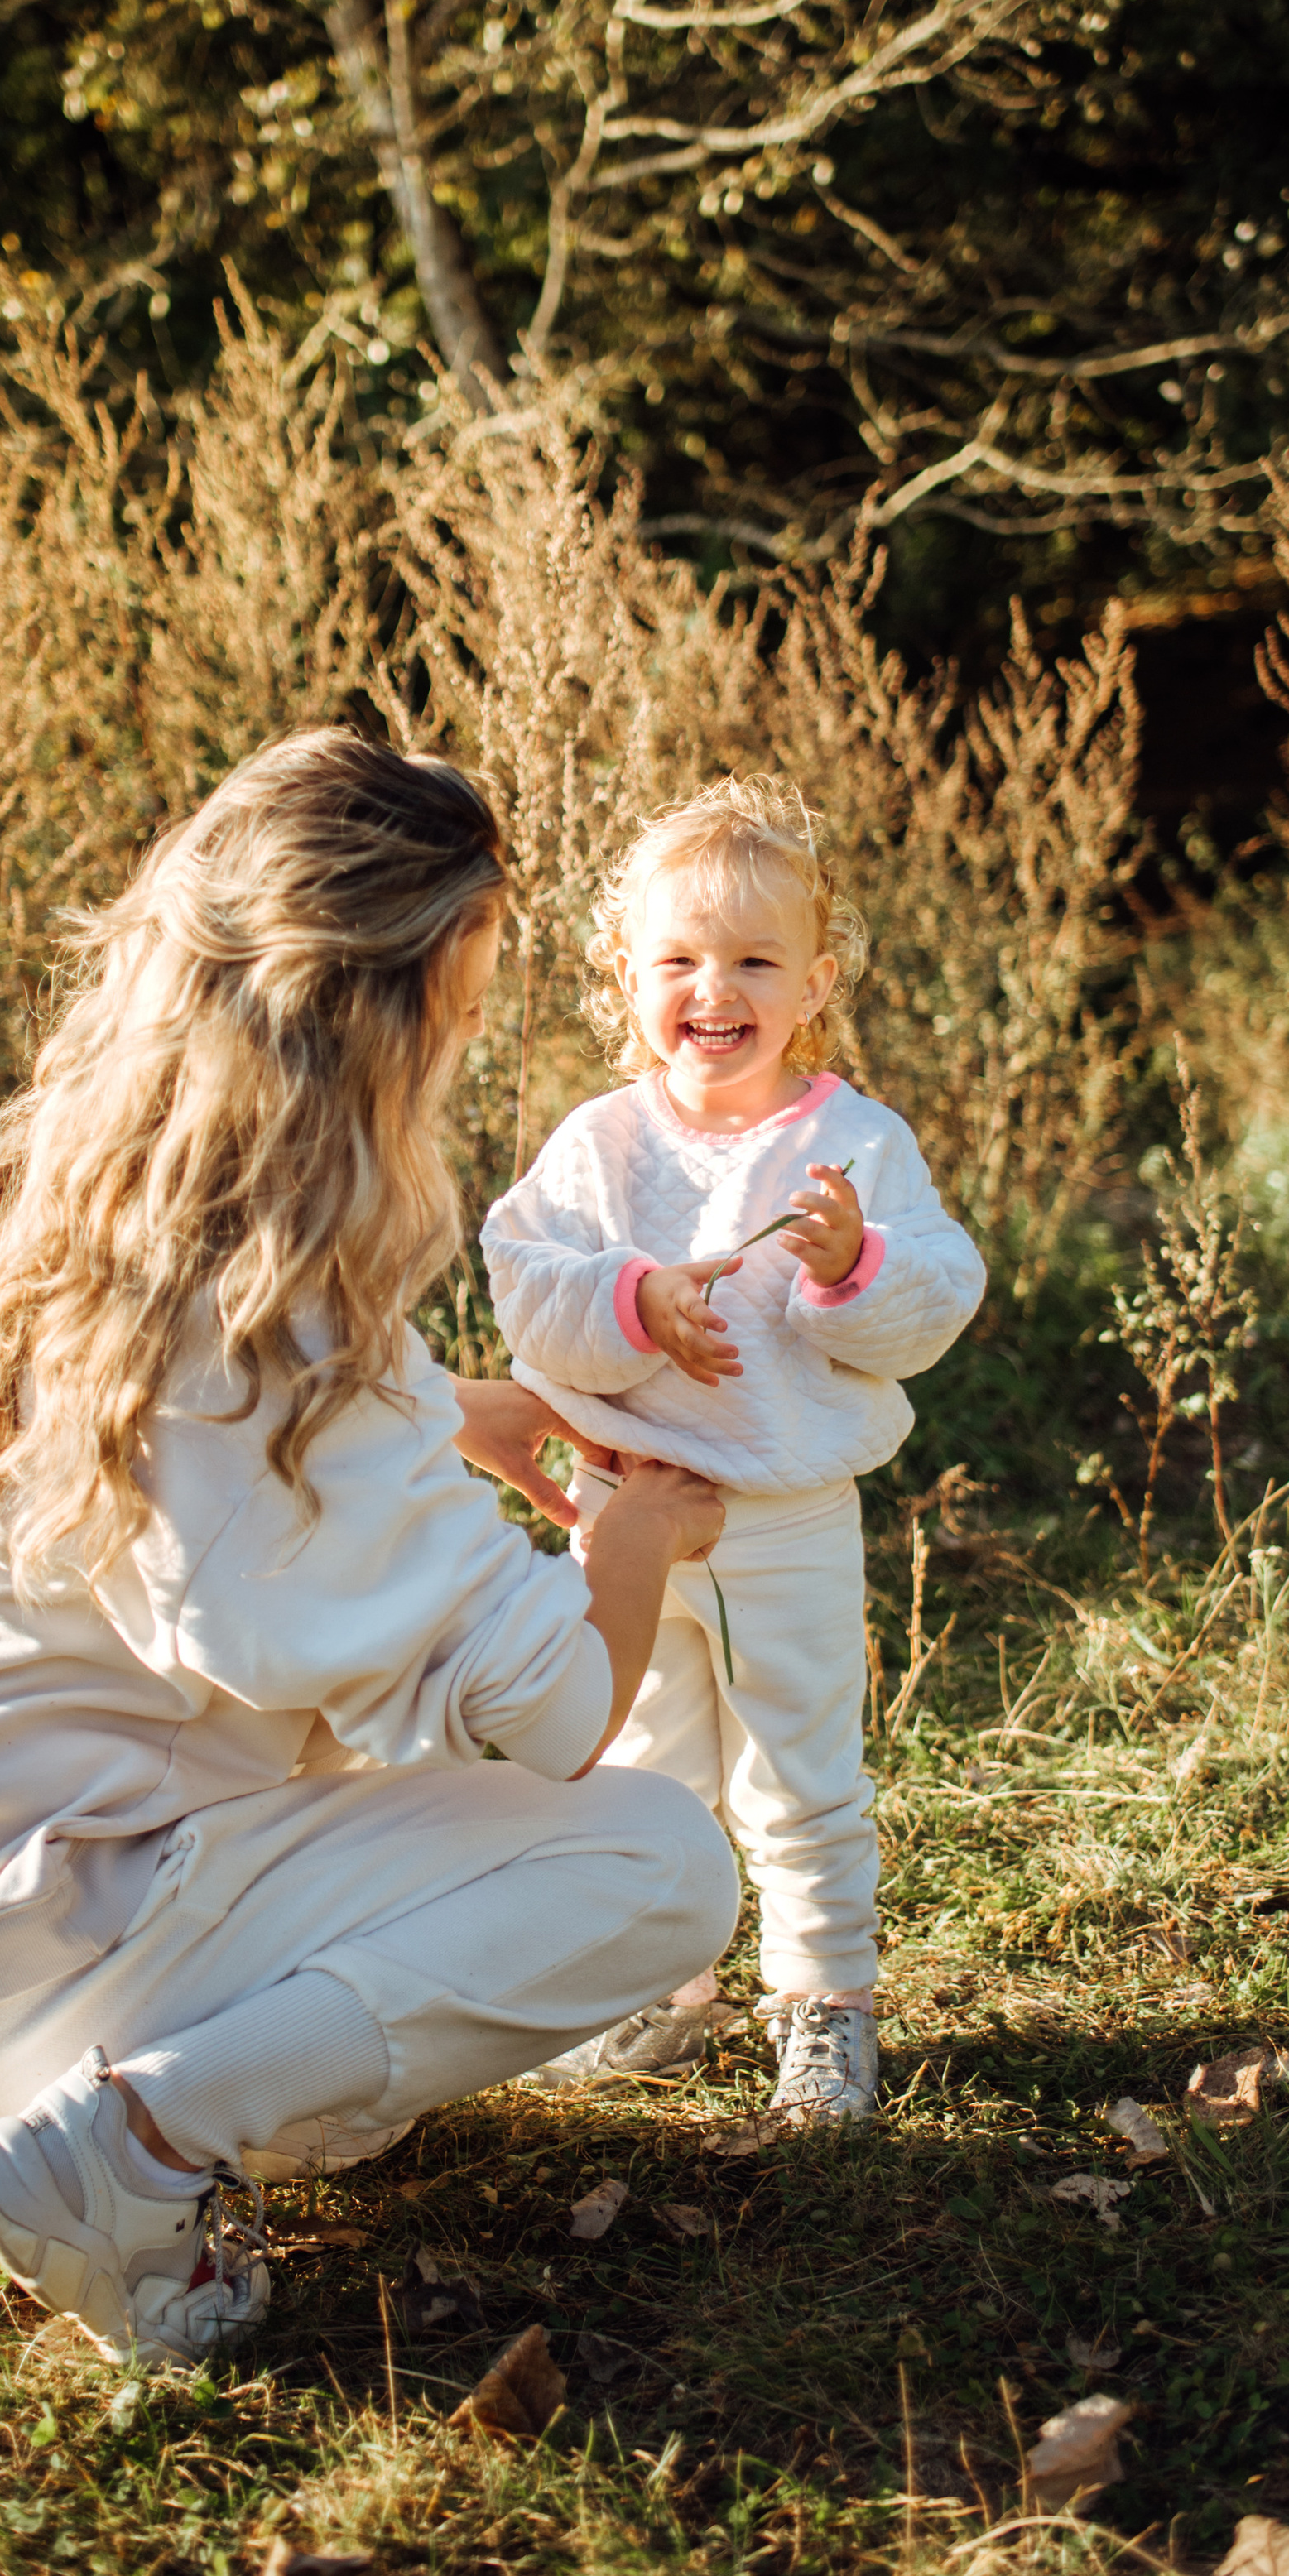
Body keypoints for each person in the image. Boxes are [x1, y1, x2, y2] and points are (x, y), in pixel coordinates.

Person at [0, 732, 738, 2370]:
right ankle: (123, 2155)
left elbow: (215, 1498)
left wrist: (459, 1413)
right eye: (465, 1008)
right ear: (383, 1018)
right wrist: (637, 1531)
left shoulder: (71, 1197)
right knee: (656, 1869)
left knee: (384, 1981)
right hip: (24, 1962)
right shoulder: (269, 1339)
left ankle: (171, 2101)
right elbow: (552, 1712)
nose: (466, 1046)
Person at [480, 776, 986, 2129]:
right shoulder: (600, 1145)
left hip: (783, 1516)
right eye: (682, 960)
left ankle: (825, 2004)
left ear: (813, 982)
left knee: (800, 1772)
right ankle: (663, 1979)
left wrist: (852, 1266)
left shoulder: (853, 1146)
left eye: (756, 959)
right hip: (625, 1503)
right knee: (642, 1766)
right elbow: (523, 1283)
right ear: (624, 975)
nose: (718, 988)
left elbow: (938, 1301)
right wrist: (632, 1304)